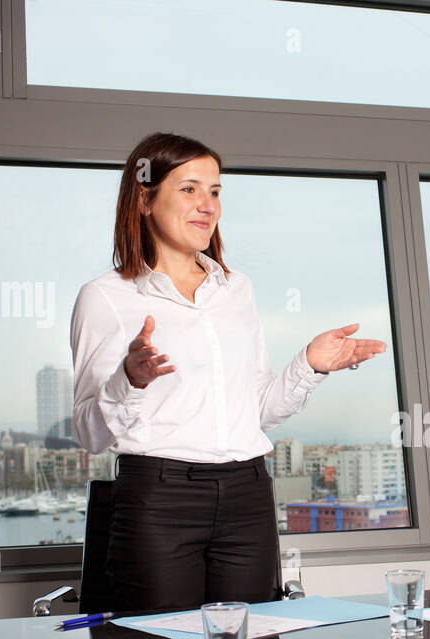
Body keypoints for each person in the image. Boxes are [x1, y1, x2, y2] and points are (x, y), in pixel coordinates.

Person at [71, 132, 384, 612]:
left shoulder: (237, 289)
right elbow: (90, 434)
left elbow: (255, 410)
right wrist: (128, 380)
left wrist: (309, 366)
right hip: (159, 501)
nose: (207, 206)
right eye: (190, 189)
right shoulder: (106, 297)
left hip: (247, 497)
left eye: (215, 192)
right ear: (144, 199)